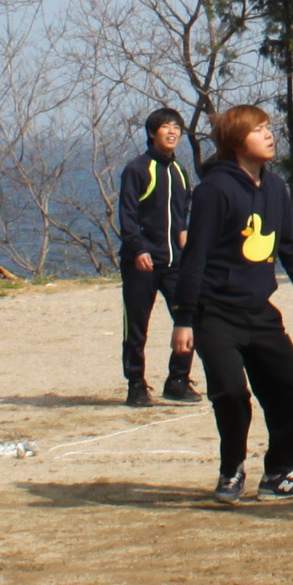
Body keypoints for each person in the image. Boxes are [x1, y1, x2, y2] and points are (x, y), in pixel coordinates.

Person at [166, 105, 293, 505]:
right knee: (231, 393)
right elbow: (195, 256)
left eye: (268, 128)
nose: (269, 135)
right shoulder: (214, 190)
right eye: (258, 130)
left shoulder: (274, 188)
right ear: (237, 142)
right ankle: (232, 470)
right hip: (213, 313)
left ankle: (279, 473)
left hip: (259, 312)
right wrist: (184, 319)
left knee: (292, 389)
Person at [116, 108, 198, 408]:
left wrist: (188, 244)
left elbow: (182, 215)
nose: (172, 132)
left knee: (190, 317)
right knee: (137, 326)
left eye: (177, 127)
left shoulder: (180, 171)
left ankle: (178, 380)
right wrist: (138, 249)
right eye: (166, 126)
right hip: (142, 263)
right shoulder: (137, 169)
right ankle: (136, 385)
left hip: (175, 264)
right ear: (152, 133)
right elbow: (127, 215)